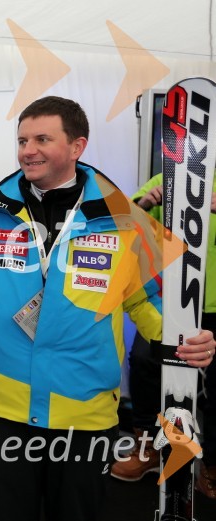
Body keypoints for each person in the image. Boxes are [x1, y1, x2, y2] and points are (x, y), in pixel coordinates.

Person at [0, 96, 215, 521]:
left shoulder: (124, 218)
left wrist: (185, 342)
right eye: (22, 140)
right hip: (2, 407)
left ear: (77, 146)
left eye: (42, 139)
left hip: (83, 410)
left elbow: (149, 298)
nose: (28, 150)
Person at [110, 172, 216, 499]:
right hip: (170, 301)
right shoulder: (171, 175)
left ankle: (211, 464)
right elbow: (125, 220)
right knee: (144, 363)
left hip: (213, 304)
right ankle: (148, 447)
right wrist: (146, 202)